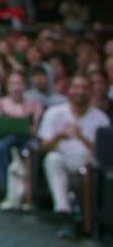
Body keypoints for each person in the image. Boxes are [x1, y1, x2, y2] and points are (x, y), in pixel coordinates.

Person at [37, 73, 109, 236]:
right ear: (69, 90)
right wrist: (59, 136)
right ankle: (64, 210)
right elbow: (43, 147)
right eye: (76, 87)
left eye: (84, 88)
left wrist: (82, 137)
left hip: (88, 161)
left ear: (90, 92)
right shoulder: (54, 113)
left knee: (88, 168)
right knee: (52, 159)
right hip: (63, 157)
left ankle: (77, 218)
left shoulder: (100, 118)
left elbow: (103, 153)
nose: (80, 92)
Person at [0, 70, 43, 208]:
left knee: (31, 150)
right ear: (7, 86)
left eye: (20, 83)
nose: (16, 87)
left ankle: (27, 195)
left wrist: (27, 127)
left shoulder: (35, 105)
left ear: (25, 86)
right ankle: (8, 190)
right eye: (12, 83)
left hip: (27, 138)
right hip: (5, 138)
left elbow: (37, 129)